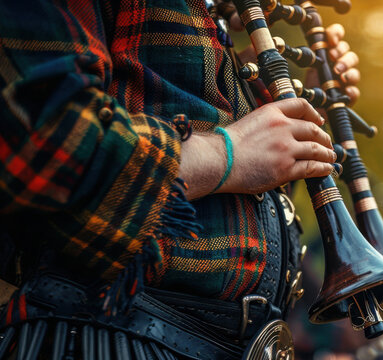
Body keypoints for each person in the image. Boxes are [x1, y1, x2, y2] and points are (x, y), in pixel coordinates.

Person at [0, 0, 360, 358]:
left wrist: (295, 113)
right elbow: (46, 145)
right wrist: (223, 154)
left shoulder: (214, 21)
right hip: (101, 339)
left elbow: (236, 210)